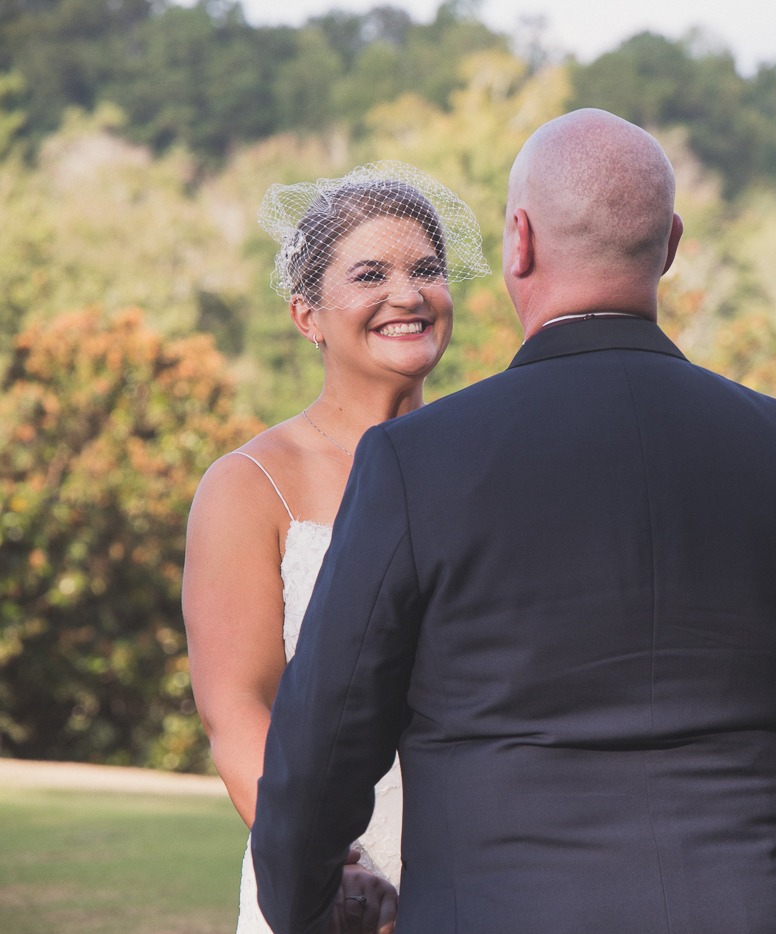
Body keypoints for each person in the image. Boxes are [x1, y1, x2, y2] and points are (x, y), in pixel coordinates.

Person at [249, 108, 776, 934]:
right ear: (669, 243)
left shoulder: (420, 459)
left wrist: (302, 908)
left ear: (518, 241)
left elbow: (327, 738)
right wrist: (751, 875)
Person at [183, 161, 491, 934]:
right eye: (370, 274)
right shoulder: (250, 483)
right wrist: (336, 872)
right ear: (306, 315)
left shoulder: (489, 462)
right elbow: (235, 709)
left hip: (489, 876)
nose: (408, 294)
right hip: (334, 887)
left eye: (427, 269)